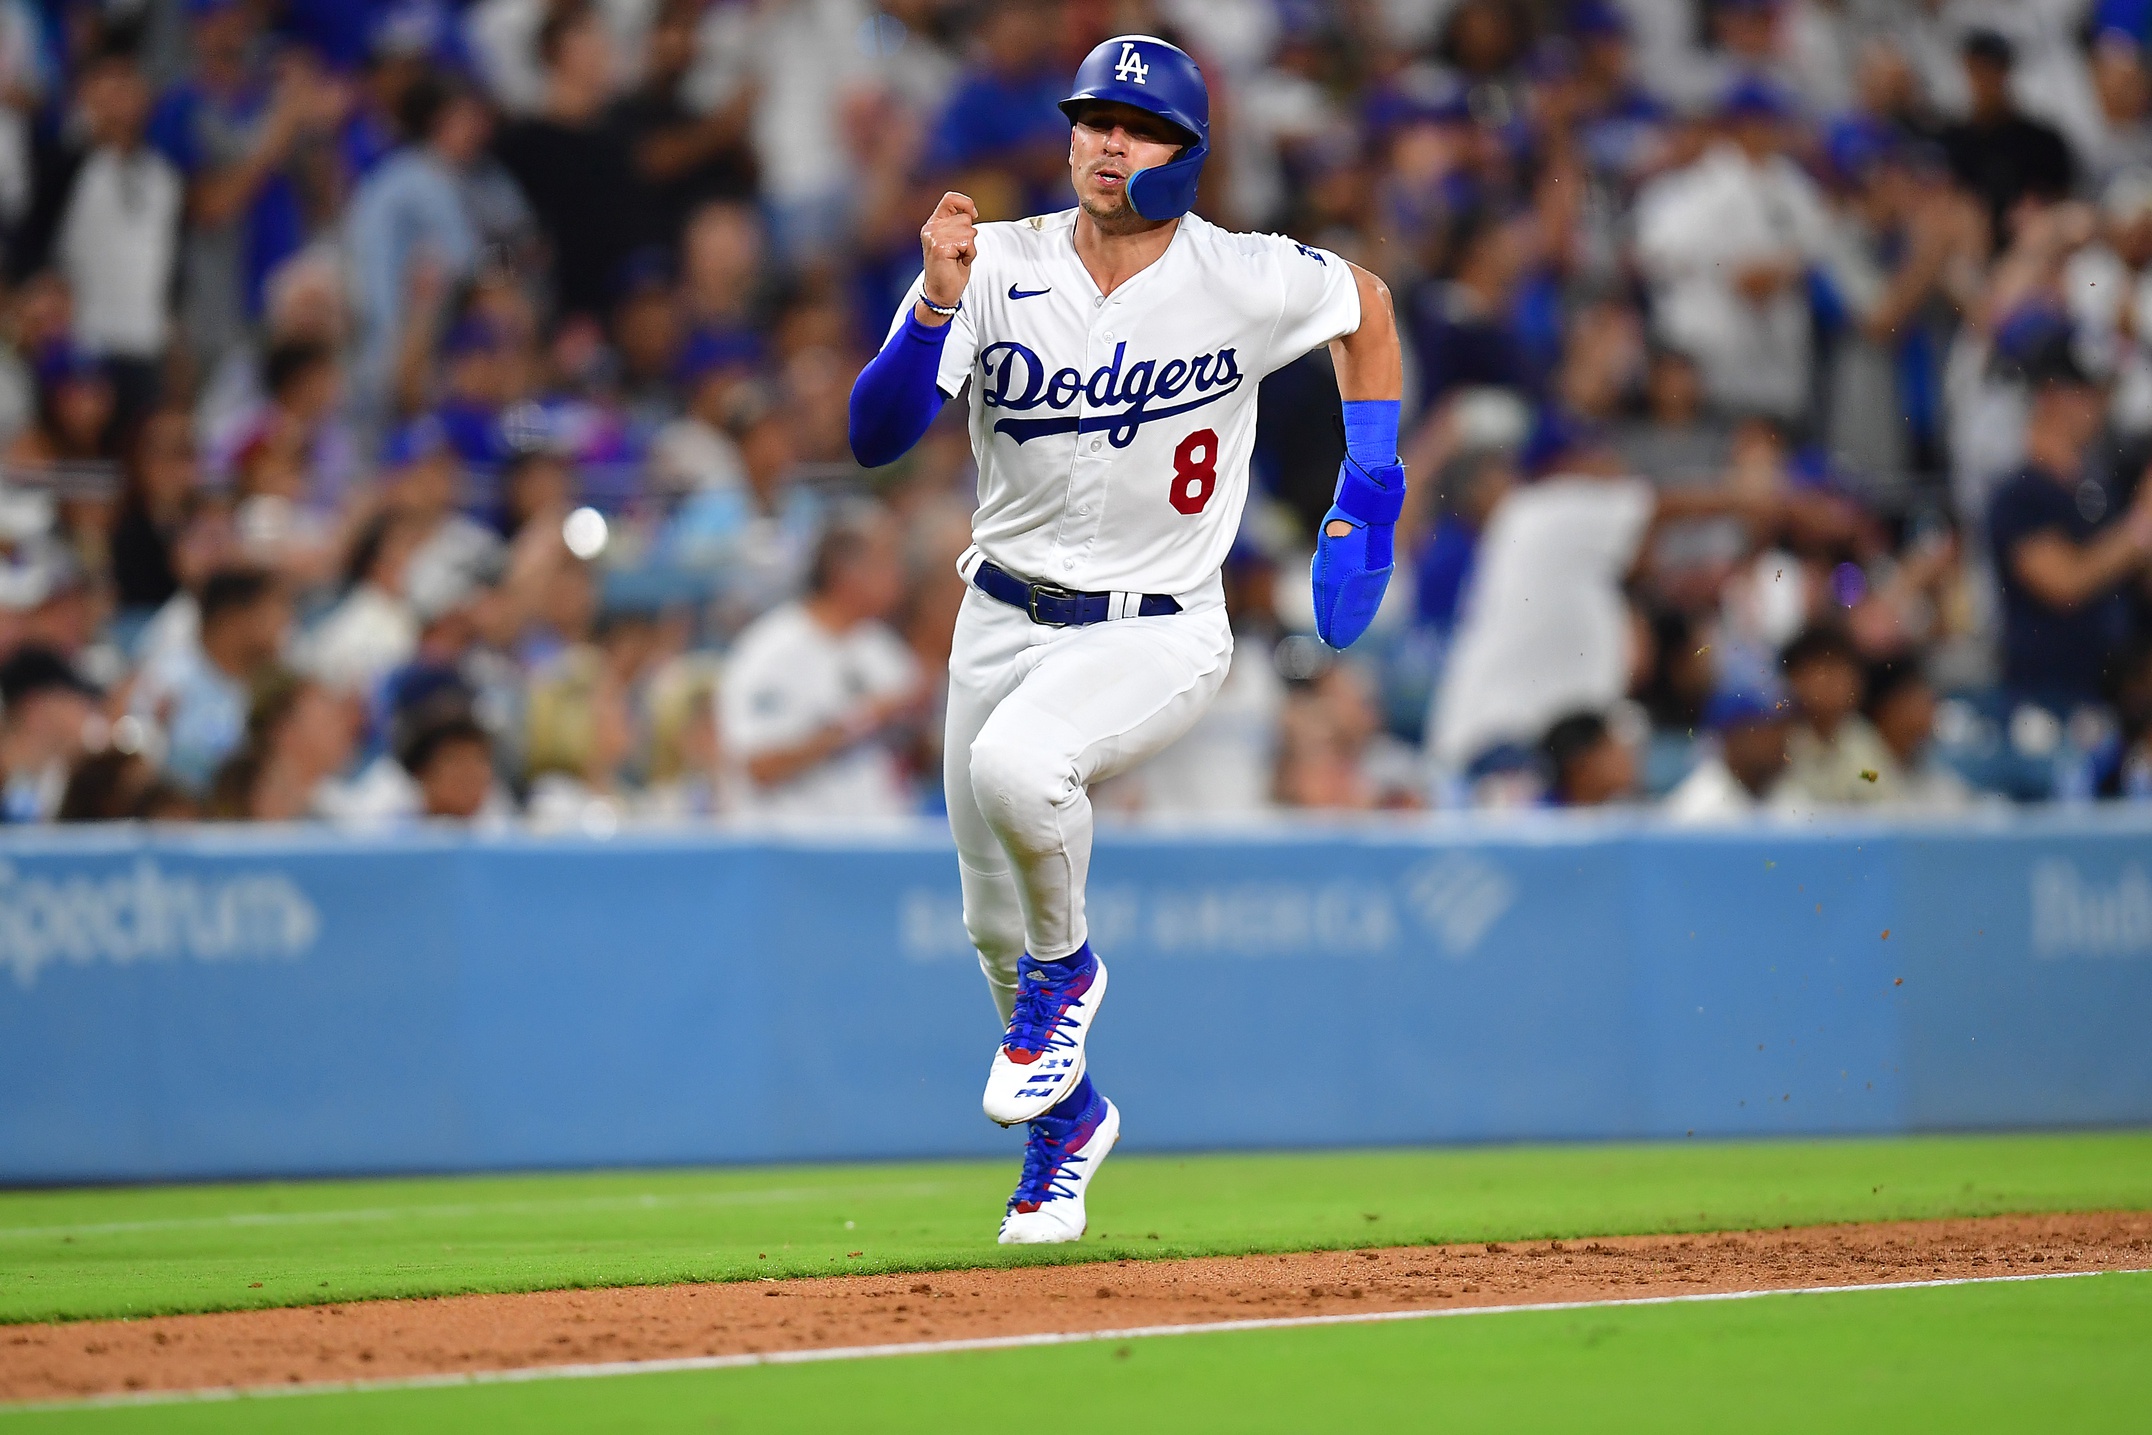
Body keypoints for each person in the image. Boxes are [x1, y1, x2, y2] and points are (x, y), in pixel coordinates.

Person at [845, 38, 1404, 1244]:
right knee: (990, 926)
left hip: (1158, 625)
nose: (1108, 141)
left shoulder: (1243, 274)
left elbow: (1369, 306)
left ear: (1187, 152)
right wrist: (936, 295)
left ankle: (1073, 977)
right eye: (1093, 118)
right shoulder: (992, 260)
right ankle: (1071, 1126)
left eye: (1138, 126)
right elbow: (875, 433)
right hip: (998, 614)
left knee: (1019, 772)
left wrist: (1372, 482)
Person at [719, 503, 922, 819]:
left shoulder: (884, 651)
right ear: (844, 571)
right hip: (798, 854)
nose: (898, 574)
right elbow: (759, 766)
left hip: (878, 849)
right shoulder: (769, 651)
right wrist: (862, 719)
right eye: (885, 560)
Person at [1985, 332, 2152, 712]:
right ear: (2051, 394)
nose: (2098, 404)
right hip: (2047, 699)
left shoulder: (2099, 488)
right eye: (2085, 391)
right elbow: (2064, 583)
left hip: (2114, 695)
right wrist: (2142, 526)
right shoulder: (2018, 495)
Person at [1664, 685, 1794, 822]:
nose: (1779, 741)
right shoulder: (1698, 806)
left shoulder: (1787, 791)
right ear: (1733, 739)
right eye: (1765, 730)